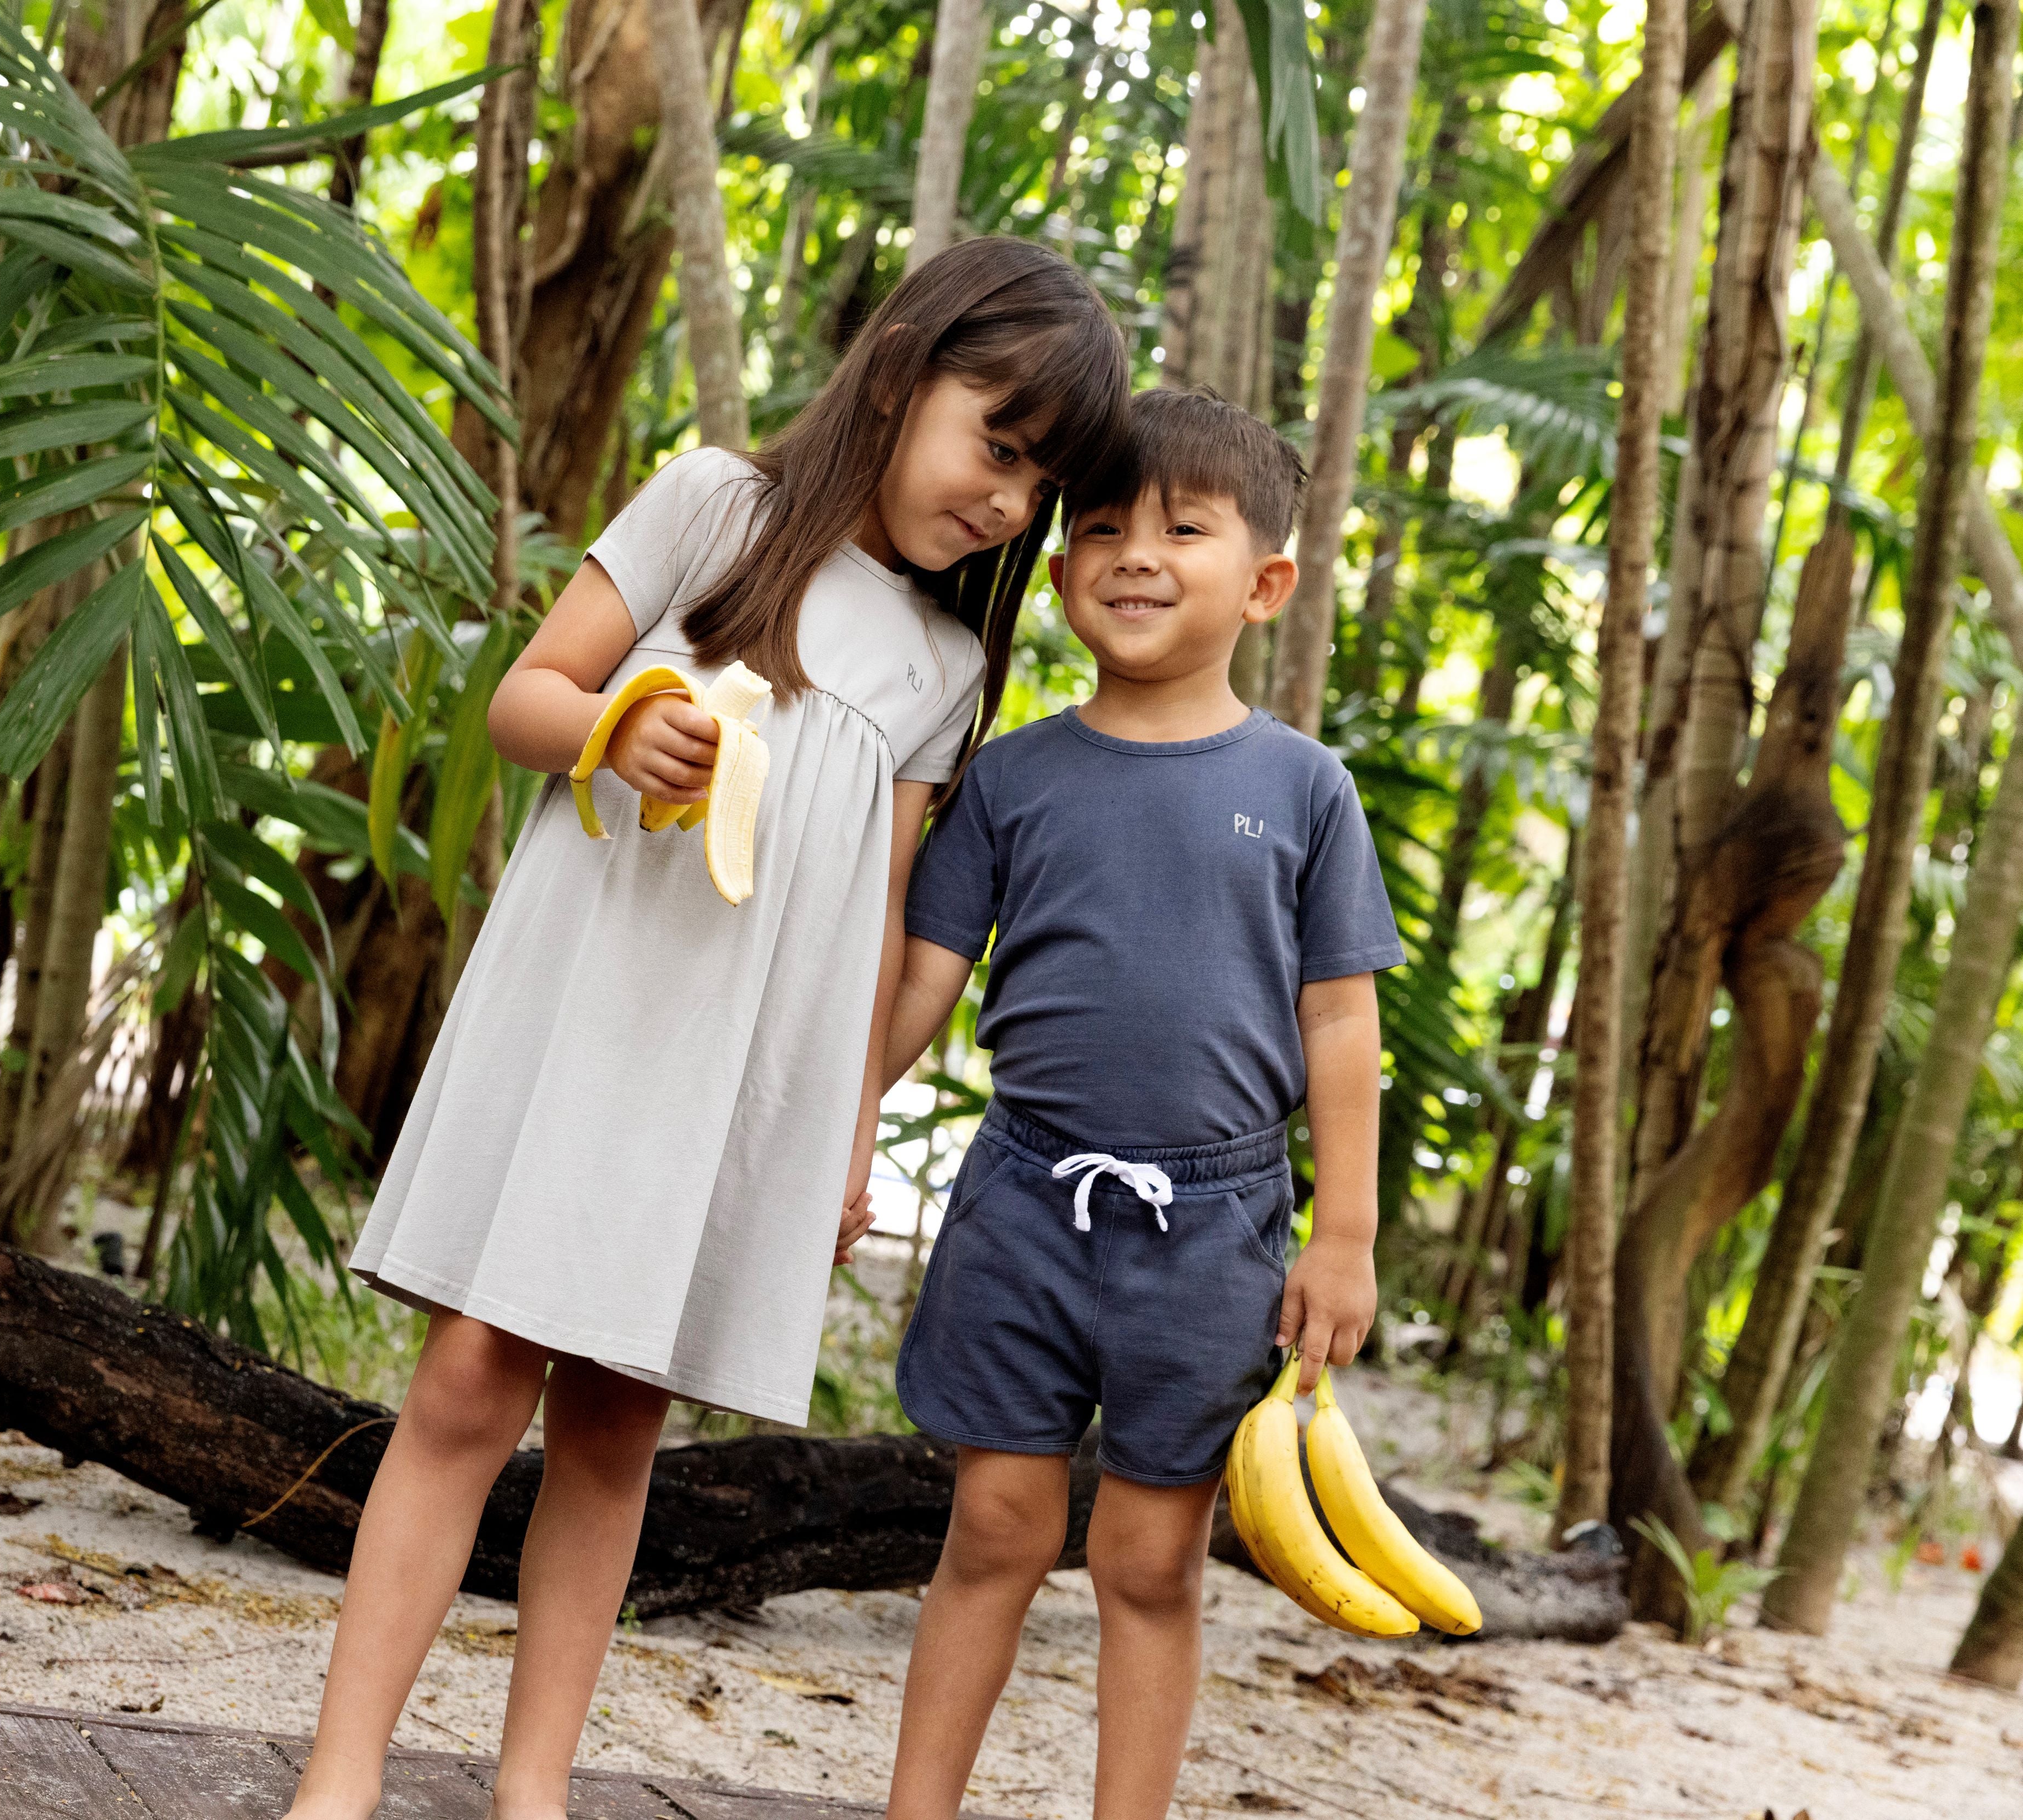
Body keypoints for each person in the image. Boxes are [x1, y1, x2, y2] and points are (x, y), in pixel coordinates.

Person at [279, 239, 1128, 1820]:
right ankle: (344, 1775)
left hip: (736, 1081)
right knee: (471, 1376)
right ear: (899, 375)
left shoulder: (945, 665)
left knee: (617, 1423)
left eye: (1043, 486)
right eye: (998, 447)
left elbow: (879, 910)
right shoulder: (712, 509)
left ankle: (533, 1791)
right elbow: (526, 698)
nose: (1011, 504)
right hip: (590, 1012)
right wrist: (617, 730)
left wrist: (852, 1137)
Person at [866, 385, 1403, 1820]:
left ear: (1267, 582)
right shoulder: (1014, 778)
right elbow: (921, 982)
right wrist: (842, 1120)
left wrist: (1340, 1239)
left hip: (1219, 1226)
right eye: (1100, 528)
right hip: (1022, 1204)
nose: (1135, 553)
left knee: (1149, 1561)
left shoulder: (1304, 789)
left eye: (1184, 526)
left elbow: (1341, 1022)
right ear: (1057, 578)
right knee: (993, 1523)